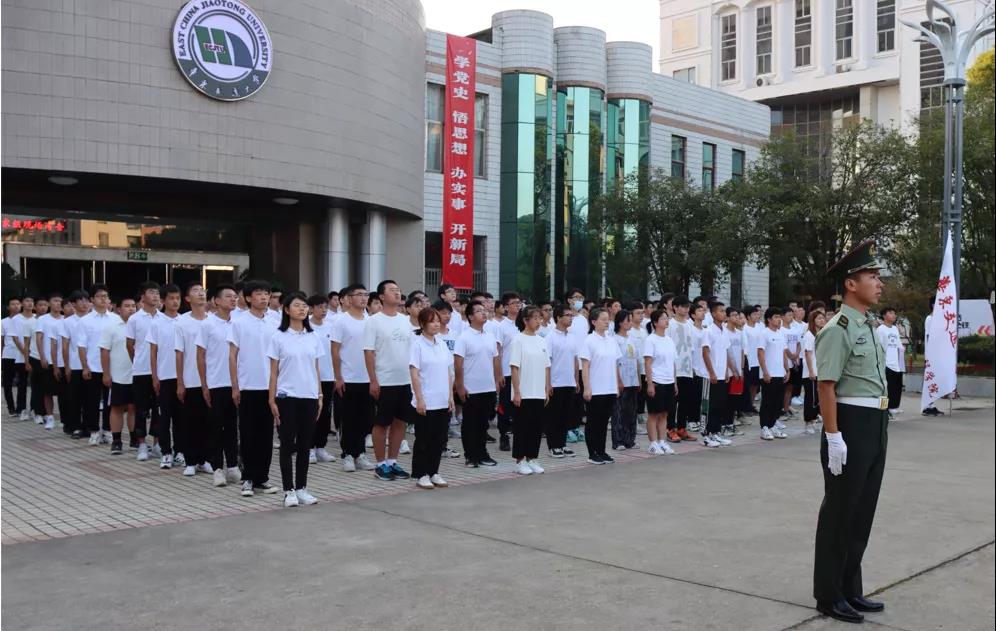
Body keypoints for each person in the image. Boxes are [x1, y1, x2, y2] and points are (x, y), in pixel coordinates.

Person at [813, 240, 890, 624]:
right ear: (850, 284)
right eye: (871, 276)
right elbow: (826, 385)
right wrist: (833, 436)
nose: (879, 283)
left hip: (875, 423)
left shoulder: (868, 325)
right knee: (840, 512)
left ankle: (850, 587)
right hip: (849, 425)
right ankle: (828, 594)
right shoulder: (837, 329)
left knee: (862, 512)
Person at [267, 292, 324, 508]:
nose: (302, 309)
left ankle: (301, 488)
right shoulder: (278, 336)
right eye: (297, 305)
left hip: (309, 396)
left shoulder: (313, 336)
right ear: (286, 310)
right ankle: (288, 490)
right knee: (287, 444)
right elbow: (273, 372)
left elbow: (316, 368)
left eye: (304, 306)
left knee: (304, 445)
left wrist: (319, 395)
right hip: (286, 397)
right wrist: (271, 399)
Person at [227, 280, 281, 495]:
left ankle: (262, 478)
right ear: (248, 298)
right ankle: (248, 478)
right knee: (248, 433)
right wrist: (235, 386)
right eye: (259, 293)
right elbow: (232, 356)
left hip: (270, 387)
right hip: (248, 385)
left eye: (266, 293)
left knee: (266, 435)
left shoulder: (275, 321)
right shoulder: (238, 322)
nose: (264, 297)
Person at [363, 280, 414, 481]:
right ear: (382, 297)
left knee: (400, 422)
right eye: (392, 290)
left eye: (398, 290)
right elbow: (368, 352)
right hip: (384, 380)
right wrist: (373, 380)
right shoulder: (373, 321)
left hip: (405, 380)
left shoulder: (405, 320)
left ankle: (392, 461)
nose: (397, 293)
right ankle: (380, 464)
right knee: (382, 423)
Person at [195, 284, 241, 488]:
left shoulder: (238, 323)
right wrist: (204, 385)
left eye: (235, 296)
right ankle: (217, 469)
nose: (233, 299)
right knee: (215, 427)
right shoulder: (207, 324)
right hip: (216, 383)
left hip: (237, 383)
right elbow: (200, 356)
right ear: (216, 301)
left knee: (232, 426)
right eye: (228, 296)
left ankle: (232, 465)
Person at [408, 307, 455, 488]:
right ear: (422, 324)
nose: (436, 324)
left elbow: (448, 372)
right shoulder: (417, 345)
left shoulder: (441, 344)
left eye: (437, 321)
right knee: (423, 439)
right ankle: (421, 474)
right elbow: (414, 374)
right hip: (426, 400)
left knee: (439, 438)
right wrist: (419, 399)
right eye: (432, 321)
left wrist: (450, 396)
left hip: (442, 399)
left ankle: (434, 471)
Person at [332, 283, 376, 473]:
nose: (364, 298)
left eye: (366, 294)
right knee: (349, 419)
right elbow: (335, 351)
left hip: (368, 378)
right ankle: (348, 454)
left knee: (365, 418)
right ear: (349, 298)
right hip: (348, 377)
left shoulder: (371, 321)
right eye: (359, 294)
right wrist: (338, 376)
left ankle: (360, 454)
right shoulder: (341, 321)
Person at [454, 299, 500, 467]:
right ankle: (470, 456)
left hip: (488, 387)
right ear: (470, 316)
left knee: (483, 424)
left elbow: (495, 359)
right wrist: (460, 386)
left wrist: (496, 380)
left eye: (484, 310)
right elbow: (458, 364)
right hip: (471, 388)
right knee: (470, 424)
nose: (484, 313)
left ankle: (482, 454)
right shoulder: (464, 337)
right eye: (479, 311)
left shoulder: (490, 336)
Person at [507, 305, 551, 475]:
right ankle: (520, 461)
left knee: (536, 426)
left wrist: (546, 388)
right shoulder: (518, 340)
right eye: (535, 318)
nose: (539, 321)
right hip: (524, 392)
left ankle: (532, 458)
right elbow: (514, 367)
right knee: (522, 427)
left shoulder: (542, 340)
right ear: (526, 320)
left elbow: (547, 366)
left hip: (538, 391)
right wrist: (517, 391)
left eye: (540, 318)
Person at [175, 282, 212, 478]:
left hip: (212, 380)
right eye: (196, 291)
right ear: (188, 299)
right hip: (191, 379)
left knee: (208, 422)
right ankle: (190, 461)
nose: (201, 294)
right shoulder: (181, 322)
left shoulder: (213, 320)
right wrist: (180, 382)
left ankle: (205, 460)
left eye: (202, 291)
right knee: (190, 422)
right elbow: (179, 354)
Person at [580, 308, 622, 464]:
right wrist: (587, 387)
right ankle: (592, 453)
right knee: (593, 422)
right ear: (593, 322)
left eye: (607, 319)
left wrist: (616, 385)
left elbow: (615, 364)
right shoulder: (589, 341)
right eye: (603, 319)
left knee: (604, 422)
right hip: (595, 389)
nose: (606, 322)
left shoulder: (611, 340)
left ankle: (602, 451)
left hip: (609, 388)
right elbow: (585, 366)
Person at [148, 284, 184, 469]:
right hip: (164, 377)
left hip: (182, 378)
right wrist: (155, 376)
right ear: (163, 301)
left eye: (177, 298)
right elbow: (153, 352)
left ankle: (180, 451)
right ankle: (166, 452)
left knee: (181, 418)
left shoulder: (184, 321)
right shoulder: (156, 322)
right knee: (164, 417)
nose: (175, 302)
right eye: (171, 298)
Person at [77, 286, 117, 445]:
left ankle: (107, 430)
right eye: (100, 296)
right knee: (91, 402)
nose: (103, 299)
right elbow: (81, 346)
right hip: (93, 367)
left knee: (110, 402)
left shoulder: (115, 319)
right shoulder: (85, 320)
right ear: (92, 300)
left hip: (112, 368)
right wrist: (85, 366)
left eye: (106, 296)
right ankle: (94, 431)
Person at [126, 282, 161, 454]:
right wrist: (137, 361)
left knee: (158, 409)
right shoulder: (134, 319)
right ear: (143, 296)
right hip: (141, 370)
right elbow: (129, 345)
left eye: (157, 293)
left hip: (160, 371)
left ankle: (157, 443)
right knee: (141, 408)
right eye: (151, 292)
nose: (155, 296)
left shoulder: (163, 318)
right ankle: (141, 444)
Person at [99, 298, 137, 455]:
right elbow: (104, 351)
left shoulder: (140, 325)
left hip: (137, 374)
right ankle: (116, 441)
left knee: (134, 407)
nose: (131, 309)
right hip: (118, 375)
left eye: (133, 306)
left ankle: (135, 439)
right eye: (127, 306)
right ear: (119, 309)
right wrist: (106, 373)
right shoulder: (111, 327)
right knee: (117, 408)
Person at [544, 304, 578, 458]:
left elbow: (575, 359)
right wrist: (548, 383)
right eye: (568, 315)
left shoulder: (572, 337)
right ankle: (553, 446)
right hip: (555, 383)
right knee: (554, 416)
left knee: (566, 415)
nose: (571, 318)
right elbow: (547, 362)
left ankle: (562, 444)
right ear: (558, 317)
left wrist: (576, 380)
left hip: (569, 382)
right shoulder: (550, 337)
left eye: (572, 315)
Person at [306, 293, 337, 464]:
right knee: (312, 414)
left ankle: (320, 447)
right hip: (310, 377)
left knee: (325, 413)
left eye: (326, 307)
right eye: (320, 307)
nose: (324, 310)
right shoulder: (306, 326)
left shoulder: (331, 326)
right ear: (311, 308)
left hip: (328, 376)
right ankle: (309, 448)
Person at [642, 308, 677, 455]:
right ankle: (653, 443)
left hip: (669, 381)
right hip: (656, 380)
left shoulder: (669, 340)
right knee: (654, 414)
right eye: (663, 318)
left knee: (664, 413)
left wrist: (675, 382)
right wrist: (650, 384)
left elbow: (673, 362)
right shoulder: (651, 340)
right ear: (655, 322)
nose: (666, 320)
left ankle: (662, 441)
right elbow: (648, 363)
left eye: (667, 318)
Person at [701, 302, 734, 448]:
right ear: (713, 314)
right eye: (721, 311)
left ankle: (716, 432)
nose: (724, 313)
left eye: (724, 311)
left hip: (722, 374)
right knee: (709, 406)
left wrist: (726, 371)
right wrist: (711, 372)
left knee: (720, 405)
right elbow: (705, 353)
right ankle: (706, 435)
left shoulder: (724, 331)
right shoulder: (708, 331)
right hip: (711, 376)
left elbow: (725, 351)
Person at [667, 296, 697, 442]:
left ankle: (681, 428)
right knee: (673, 402)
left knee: (686, 401)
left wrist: (693, 367)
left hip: (687, 368)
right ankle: (670, 429)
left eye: (687, 307)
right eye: (683, 307)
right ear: (675, 307)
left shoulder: (690, 324)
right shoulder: (670, 324)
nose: (686, 309)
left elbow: (692, 348)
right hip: (675, 369)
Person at [495, 292, 523, 452]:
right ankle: (504, 435)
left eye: (519, 302)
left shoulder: (523, 324)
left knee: (520, 406)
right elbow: (498, 352)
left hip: (522, 372)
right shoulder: (502, 327)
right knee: (505, 406)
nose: (518, 305)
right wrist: (499, 374)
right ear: (506, 307)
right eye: (514, 303)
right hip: (507, 372)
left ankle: (519, 434)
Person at [757, 307, 789, 441]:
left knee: (777, 401)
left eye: (779, 317)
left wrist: (787, 369)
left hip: (779, 373)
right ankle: (764, 427)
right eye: (776, 317)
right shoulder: (764, 333)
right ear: (769, 319)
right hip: (768, 374)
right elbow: (760, 353)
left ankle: (772, 424)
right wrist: (765, 371)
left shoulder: (781, 334)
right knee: (767, 401)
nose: (779, 319)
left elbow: (784, 353)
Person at [611, 309, 640, 450]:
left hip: (633, 380)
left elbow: (636, 360)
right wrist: (618, 381)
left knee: (631, 412)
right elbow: (615, 362)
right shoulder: (614, 340)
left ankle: (630, 440)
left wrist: (638, 379)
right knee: (619, 412)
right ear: (620, 323)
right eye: (627, 320)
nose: (630, 323)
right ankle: (618, 441)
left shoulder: (631, 339)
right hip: (621, 380)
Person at [62, 291, 90, 438]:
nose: (85, 304)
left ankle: (88, 426)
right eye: (81, 301)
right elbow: (65, 345)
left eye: (87, 300)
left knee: (89, 398)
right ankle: (75, 427)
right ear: (73, 304)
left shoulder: (93, 320)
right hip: (75, 365)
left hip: (93, 365)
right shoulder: (67, 322)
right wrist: (67, 366)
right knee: (74, 398)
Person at [36, 294, 63, 429]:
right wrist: (42, 357)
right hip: (48, 360)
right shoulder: (43, 319)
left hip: (62, 361)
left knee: (63, 392)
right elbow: (39, 338)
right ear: (49, 303)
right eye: (55, 301)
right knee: (47, 391)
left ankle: (64, 418)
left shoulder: (65, 319)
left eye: (59, 301)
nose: (58, 303)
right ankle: (50, 416)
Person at [875, 307, 905, 417]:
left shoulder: (895, 329)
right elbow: (879, 346)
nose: (894, 315)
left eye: (894, 313)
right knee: (887, 388)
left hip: (896, 363)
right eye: (891, 313)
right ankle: (885, 410)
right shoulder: (881, 329)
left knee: (896, 387)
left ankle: (893, 407)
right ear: (884, 315)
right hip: (886, 363)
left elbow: (898, 344)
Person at [802, 311, 826, 434]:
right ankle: (809, 422)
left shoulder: (821, 334)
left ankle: (815, 419)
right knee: (811, 399)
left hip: (820, 371)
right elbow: (808, 353)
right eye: (819, 318)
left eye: (823, 318)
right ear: (813, 320)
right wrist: (811, 371)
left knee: (818, 399)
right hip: (811, 372)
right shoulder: (809, 335)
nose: (822, 320)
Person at [2, 298, 22, 417]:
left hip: (22, 355)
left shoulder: (24, 320)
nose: (16, 306)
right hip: (8, 355)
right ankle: (11, 407)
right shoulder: (3, 322)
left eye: (18, 304)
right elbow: (1, 341)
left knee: (22, 383)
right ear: (8, 307)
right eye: (13, 304)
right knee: (7, 383)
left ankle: (21, 408)